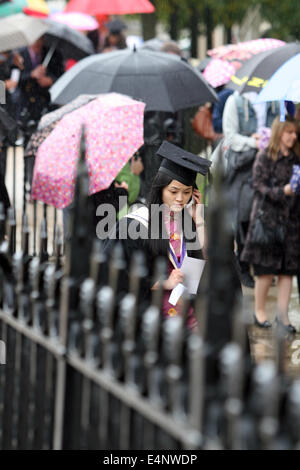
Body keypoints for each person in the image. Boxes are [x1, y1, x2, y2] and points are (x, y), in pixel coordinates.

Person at [103, 141, 212, 329]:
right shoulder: (135, 225)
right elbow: (121, 275)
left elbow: (205, 258)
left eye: (186, 192)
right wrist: (163, 283)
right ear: (160, 188)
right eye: (173, 191)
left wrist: (198, 218)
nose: (180, 198)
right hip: (154, 320)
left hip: (188, 315)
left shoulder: (186, 221)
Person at [241, 116, 300, 333]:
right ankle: (260, 312)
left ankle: (283, 318)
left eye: (295, 133)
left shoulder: (295, 158)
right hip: (267, 222)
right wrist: (281, 191)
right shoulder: (265, 156)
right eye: (289, 132)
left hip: (291, 223)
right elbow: (257, 185)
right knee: (265, 271)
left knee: (287, 272)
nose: (293, 136)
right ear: (279, 133)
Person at [222, 91, 280, 288]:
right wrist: (253, 142)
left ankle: (263, 265)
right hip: (244, 169)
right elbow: (230, 135)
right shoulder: (235, 101)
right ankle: (243, 266)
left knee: (268, 216)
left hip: (269, 166)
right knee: (244, 217)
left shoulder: (274, 101)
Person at [18, 37, 64, 125]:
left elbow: (61, 75)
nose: (37, 43)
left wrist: (51, 81)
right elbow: (12, 80)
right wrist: (31, 74)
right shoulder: (19, 54)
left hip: (44, 102)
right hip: (24, 101)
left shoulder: (52, 54)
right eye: (35, 40)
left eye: (40, 40)